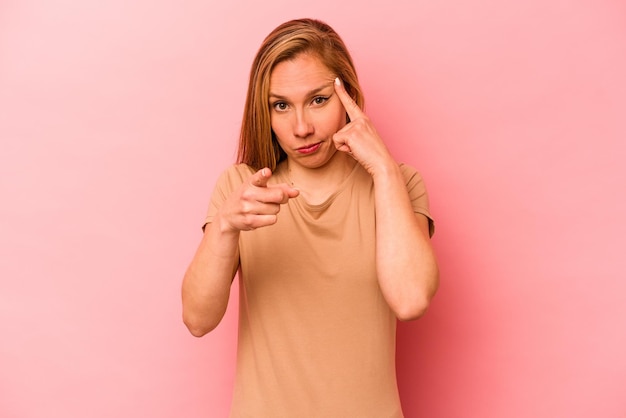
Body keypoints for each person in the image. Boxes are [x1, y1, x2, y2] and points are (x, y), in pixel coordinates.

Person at [182, 18, 439, 417]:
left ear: (348, 95)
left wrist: (384, 171)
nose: (301, 128)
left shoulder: (400, 184)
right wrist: (225, 226)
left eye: (318, 99)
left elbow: (410, 300)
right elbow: (197, 320)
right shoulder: (242, 189)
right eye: (281, 105)